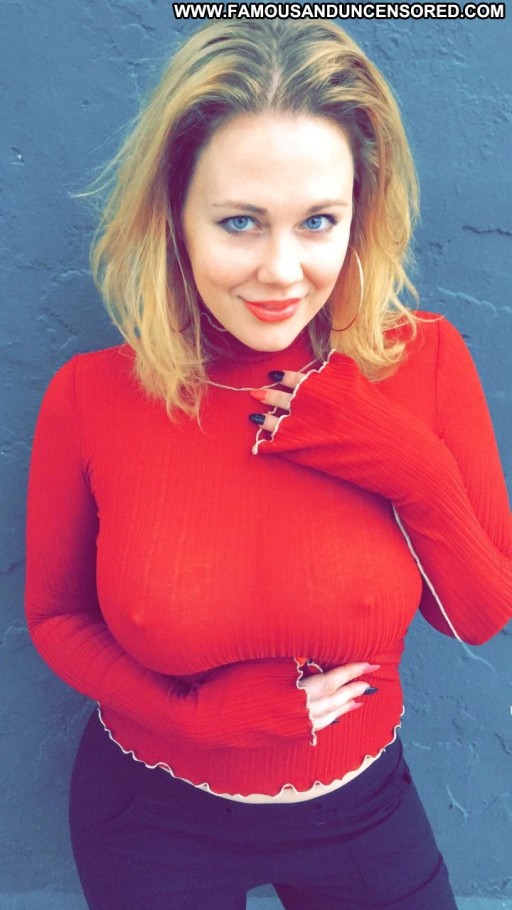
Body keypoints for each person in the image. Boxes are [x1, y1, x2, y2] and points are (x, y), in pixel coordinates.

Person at [25, 17, 511, 910]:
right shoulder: (90, 397)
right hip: (153, 816)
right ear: (174, 214)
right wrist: (191, 718)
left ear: (359, 212)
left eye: (318, 221)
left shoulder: (426, 362)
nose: (282, 272)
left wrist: (408, 463)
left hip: (363, 810)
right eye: (240, 223)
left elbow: (476, 615)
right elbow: (55, 616)